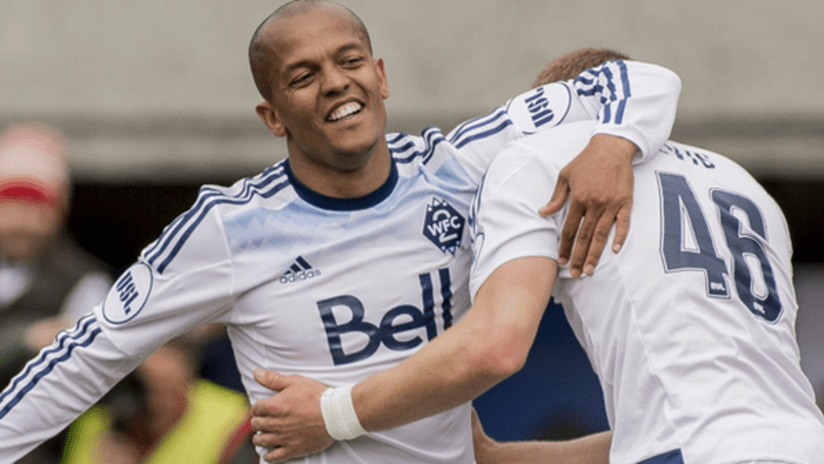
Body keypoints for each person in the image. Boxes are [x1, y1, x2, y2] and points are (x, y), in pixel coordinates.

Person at [0, 1, 683, 461]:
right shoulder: (229, 229)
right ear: (273, 117)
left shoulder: (459, 166)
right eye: (303, 76)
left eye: (349, 60)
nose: (334, 82)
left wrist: (612, 145)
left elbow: (634, 80)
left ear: (380, 77)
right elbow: (85, 356)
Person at [249, 48, 824, 464]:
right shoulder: (743, 185)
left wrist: (334, 414)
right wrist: (497, 458)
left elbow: (496, 347)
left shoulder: (535, 154)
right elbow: (685, 417)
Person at [0, 122, 113, 463]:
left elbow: (93, 373)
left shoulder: (85, 280)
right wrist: (25, 339)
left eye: (36, 206)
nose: (22, 220)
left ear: (59, 211)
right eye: (11, 204)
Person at [61, 335, 254, 464]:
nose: (153, 401)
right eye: (140, 384)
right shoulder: (99, 413)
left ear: (187, 377)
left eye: (164, 386)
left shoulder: (233, 421)